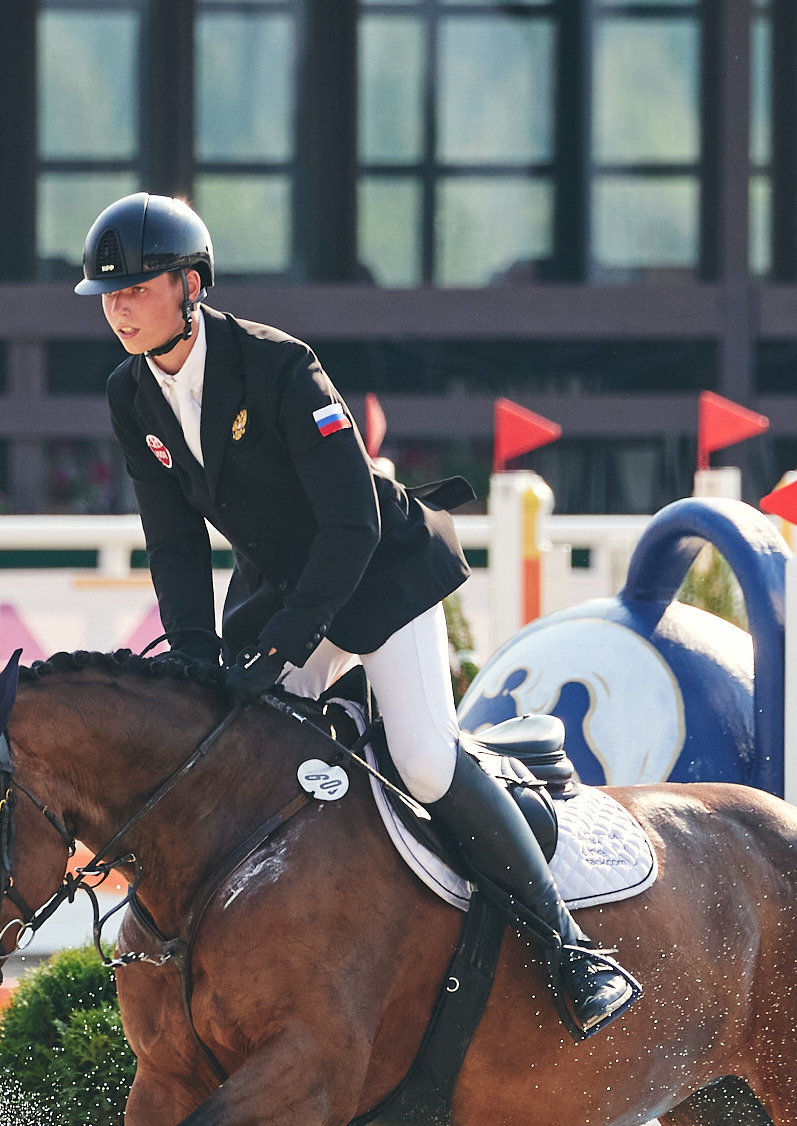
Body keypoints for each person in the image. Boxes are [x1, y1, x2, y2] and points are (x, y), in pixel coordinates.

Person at [79, 192, 639, 1039]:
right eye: (108, 295)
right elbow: (176, 543)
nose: (119, 309)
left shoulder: (279, 365)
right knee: (240, 756)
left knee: (423, 760)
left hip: (378, 573)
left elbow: (353, 523)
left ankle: (569, 948)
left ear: (191, 285)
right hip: (280, 584)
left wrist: (283, 646)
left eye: (137, 289)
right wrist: (195, 658)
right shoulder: (130, 393)